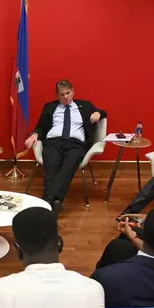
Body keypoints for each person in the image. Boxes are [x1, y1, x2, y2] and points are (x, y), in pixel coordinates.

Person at [24, 80, 107, 214]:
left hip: (75, 144)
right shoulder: (50, 107)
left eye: (68, 93)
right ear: (57, 97)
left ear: (73, 91)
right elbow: (40, 127)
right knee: (51, 166)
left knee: (68, 166)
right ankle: (56, 200)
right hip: (53, 142)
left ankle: (47, 200)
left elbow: (102, 112)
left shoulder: (85, 105)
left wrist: (99, 113)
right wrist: (34, 135)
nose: (66, 97)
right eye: (62, 95)